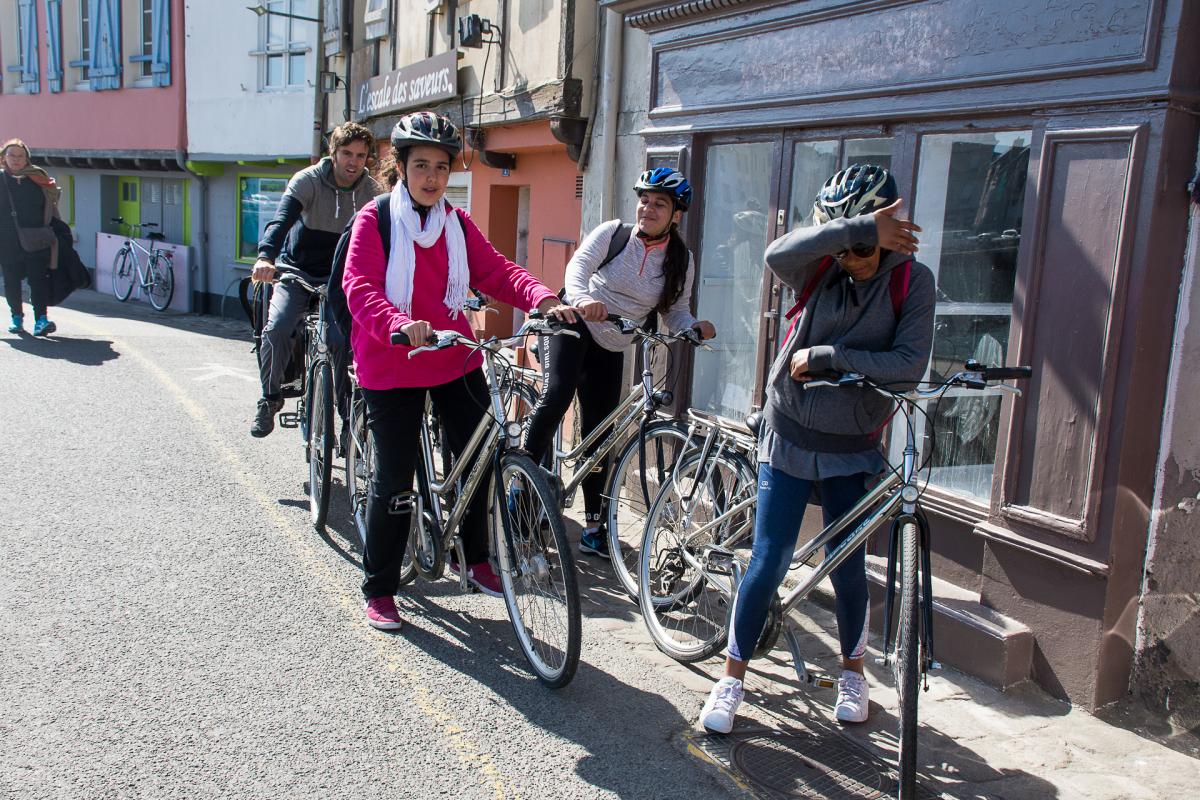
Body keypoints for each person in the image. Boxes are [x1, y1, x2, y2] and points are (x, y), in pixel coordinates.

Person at [699, 164, 934, 732]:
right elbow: (775, 254)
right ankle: (731, 678)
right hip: (788, 432)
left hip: (851, 444)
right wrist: (855, 231)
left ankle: (853, 674)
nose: (851, 260)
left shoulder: (913, 281)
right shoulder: (821, 266)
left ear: (892, 235)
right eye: (843, 246)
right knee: (770, 559)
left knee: (847, 566)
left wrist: (831, 357)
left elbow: (908, 366)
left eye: (863, 249)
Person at [342, 111, 572, 630]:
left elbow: (496, 270)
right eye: (421, 165)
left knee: (481, 456)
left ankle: (475, 557)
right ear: (401, 167)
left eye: (441, 168)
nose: (431, 177)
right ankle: (380, 588)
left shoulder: (456, 223)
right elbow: (359, 286)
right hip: (392, 361)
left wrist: (543, 298)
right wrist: (399, 324)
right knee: (394, 480)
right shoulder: (375, 220)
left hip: (453, 355)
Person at [522, 167, 716, 557]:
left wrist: (693, 326)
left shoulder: (682, 260)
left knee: (601, 431)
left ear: (676, 215)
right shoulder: (614, 234)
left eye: (659, 204)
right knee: (557, 396)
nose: (648, 208)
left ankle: (594, 526)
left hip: (614, 341)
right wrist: (582, 299)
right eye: (644, 200)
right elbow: (577, 269)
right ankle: (520, 488)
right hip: (574, 323)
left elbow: (675, 311)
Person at [250, 121, 382, 437]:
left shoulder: (372, 192)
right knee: (278, 328)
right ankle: (270, 398)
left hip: (341, 278)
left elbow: (384, 241)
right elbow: (280, 222)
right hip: (298, 271)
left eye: (360, 155)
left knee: (342, 341)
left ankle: (349, 419)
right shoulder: (307, 181)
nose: (353, 162)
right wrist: (266, 257)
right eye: (346, 153)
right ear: (332, 153)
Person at [1, 139, 61, 336]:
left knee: (38, 280)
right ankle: (16, 318)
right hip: (7, 241)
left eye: (21, 156)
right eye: (12, 155)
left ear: (27, 159)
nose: (16, 159)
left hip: (36, 239)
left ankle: (41, 320)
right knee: (11, 280)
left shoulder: (38, 179)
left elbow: (51, 204)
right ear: (4, 158)